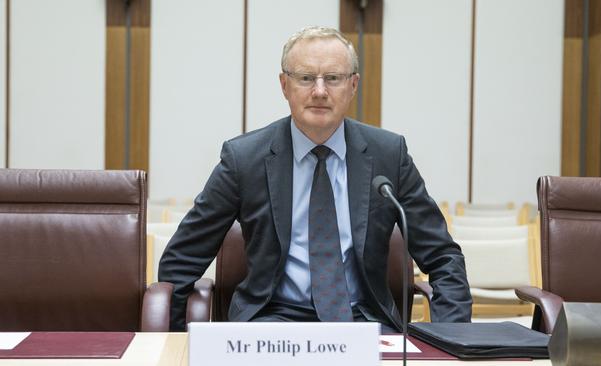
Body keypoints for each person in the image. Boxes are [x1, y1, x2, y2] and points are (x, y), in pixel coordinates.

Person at [158, 26, 472, 332]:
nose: (319, 91)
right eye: (306, 78)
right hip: (271, 322)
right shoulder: (244, 159)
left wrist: (454, 341)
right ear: (284, 85)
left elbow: (442, 256)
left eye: (333, 78)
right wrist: (171, 343)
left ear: (353, 85)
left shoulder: (389, 155)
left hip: (364, 323)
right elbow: (183, 257)